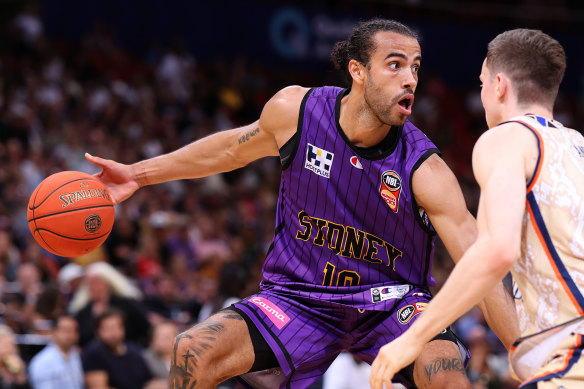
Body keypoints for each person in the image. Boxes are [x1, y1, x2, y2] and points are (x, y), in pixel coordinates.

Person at [86, 19, 519, 389]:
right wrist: (138, 174)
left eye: (416, 68)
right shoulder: (297, 110)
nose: (410, 79)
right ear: (358, 71)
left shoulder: (425, 169)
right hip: (300, 299)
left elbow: (479, 259)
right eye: (395, 65)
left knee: (446, 376)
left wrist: (525, 351)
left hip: (392, 303)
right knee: (192, 350)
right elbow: (228, 150)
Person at [369, 29, 583, 389]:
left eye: (482, 83)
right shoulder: (576, 145)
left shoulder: (505, 138)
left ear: (499, 85)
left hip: (572, 349)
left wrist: (412, 338)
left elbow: (496, 249)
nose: (481, 94)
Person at [81, 308, 155, 389]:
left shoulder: (134, 350)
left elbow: (149, 380)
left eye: (117, 327)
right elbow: (99, 387)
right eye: (108, 328)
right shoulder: (93, 353)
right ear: (98, 331)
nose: (113, 333)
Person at [28, 316, 84, 389]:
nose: (70, 335)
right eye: (66, 330)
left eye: (74, 330)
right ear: (54, 332)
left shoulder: (75, 355)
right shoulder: (43, 361)